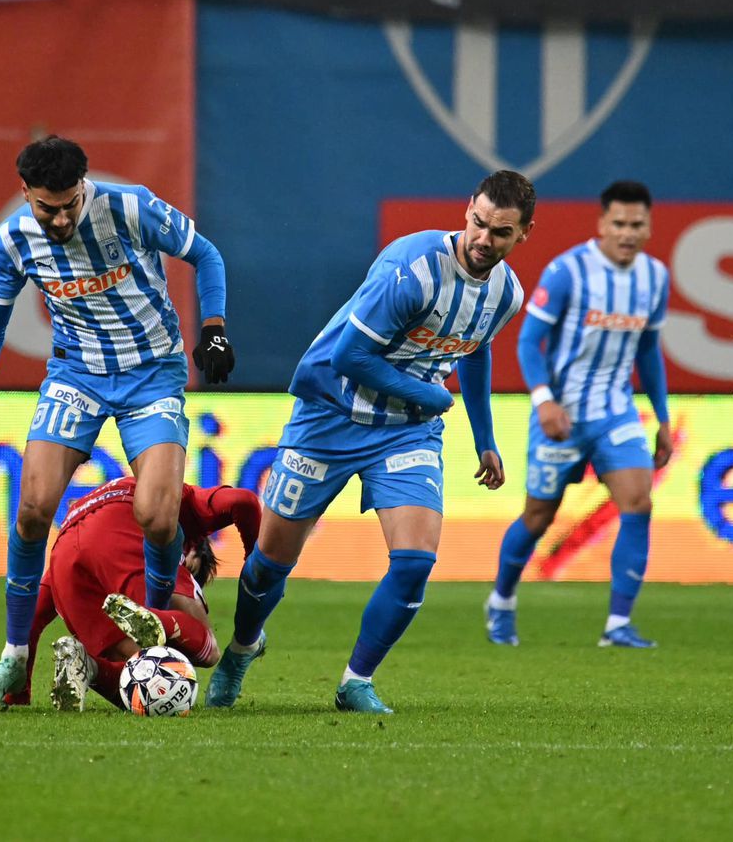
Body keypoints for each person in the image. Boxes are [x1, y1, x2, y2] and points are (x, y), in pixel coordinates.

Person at [206, 170, 535, 714]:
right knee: (269, 562)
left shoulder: (506, 294)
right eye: (478, 223)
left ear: (522, 234)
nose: (483, 239)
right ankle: (242, 649)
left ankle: (355, 681)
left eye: (500, 232)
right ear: (467, 211)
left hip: (406, 429)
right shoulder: (414, 270)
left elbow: (474, 350)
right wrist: (429, 395)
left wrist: (485, 438)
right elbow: (349, 357)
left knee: (414, 561)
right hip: (330, 414)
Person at [0, 136, 235, 710]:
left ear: (84, 187)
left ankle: (153, 634)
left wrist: (213, 327)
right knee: (32, 509)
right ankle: (14, 656)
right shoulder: (12, 240)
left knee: (157, 517)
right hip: (75, 375)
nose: (58, 218)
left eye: (69, 205)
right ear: (25, 194)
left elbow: (207, 255)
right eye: (45, 207)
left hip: (152, 371)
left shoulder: (131, 207)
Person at [485, 180, 670, 649]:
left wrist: (663, 417)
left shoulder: (655, 278)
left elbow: (648, 350)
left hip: (616, 412)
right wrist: (544, 400)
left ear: (648, 227)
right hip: (560, 414)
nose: (628, 233)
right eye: (619, 223)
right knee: (537, 517)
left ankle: (617, 626)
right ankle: (501, 601)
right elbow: (529, 341)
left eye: (637, 224)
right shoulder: (568, 271)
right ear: (602, 224)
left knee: (639, 504)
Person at [5, 477, 261, 711]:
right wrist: (256, 565)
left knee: (144, 666)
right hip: (124, 523)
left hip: (63, 550)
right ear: (193, 548)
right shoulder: (186, 508)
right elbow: (243, 500)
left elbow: (34, 614)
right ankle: (157, 620)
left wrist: (17, 694)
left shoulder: (98, 516)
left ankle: (87, 666)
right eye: (191, 571)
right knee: (209, 651)